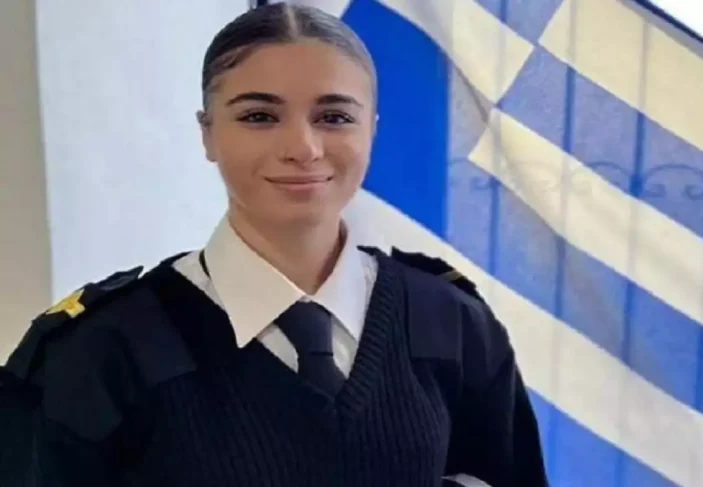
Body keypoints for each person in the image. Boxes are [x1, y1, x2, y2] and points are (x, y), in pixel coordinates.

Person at [0, 4, 547, 486]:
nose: (303, 148)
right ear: (208, 132)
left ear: (372, 130)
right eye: (259, 116)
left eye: (334, 117)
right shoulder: (95, 353)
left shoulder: (452, 325)